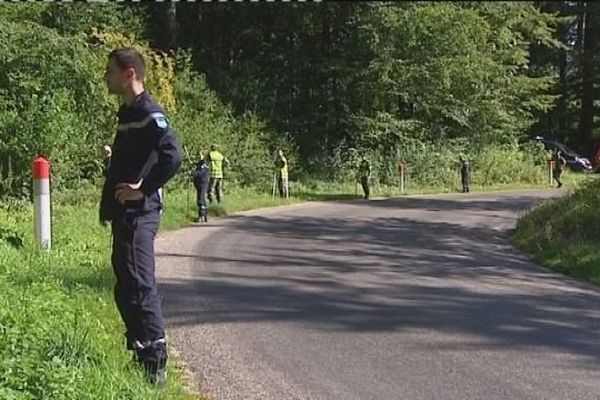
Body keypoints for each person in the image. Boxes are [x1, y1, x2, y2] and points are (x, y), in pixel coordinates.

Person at [99, 48, 182, 388]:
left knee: (140, 283)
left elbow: (172, 157)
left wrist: (143, 189)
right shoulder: (128, 113)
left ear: (129, 73)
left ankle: (155, 361)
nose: (107, 77)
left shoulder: (150, 112)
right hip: (124, 213)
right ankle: (140, 349)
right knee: (125, 284)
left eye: (111, 71)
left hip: (139, 214)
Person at [192, 150, 209, 222]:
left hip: (203, 183)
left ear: (203, 155)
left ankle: (202, 215)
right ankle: (204, 215)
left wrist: (194, 172)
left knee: (201, 199)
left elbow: (201, 173)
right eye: (197, 155)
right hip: (198, 183)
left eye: (200, 155)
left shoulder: (204, 163)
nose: (198, 156)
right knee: (200, 199)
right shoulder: (199, 163)